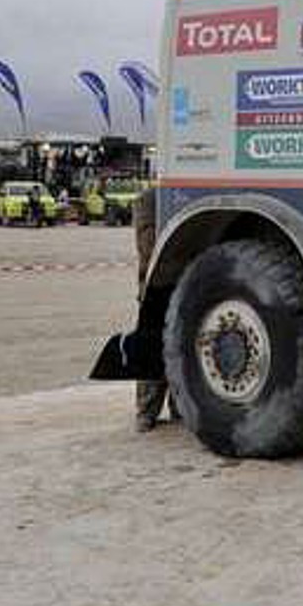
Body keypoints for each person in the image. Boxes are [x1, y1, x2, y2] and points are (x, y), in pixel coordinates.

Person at [133, 185, 174, 432]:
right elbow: (148, 247)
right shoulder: (149, 199)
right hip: (157, 285)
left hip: (181, 286)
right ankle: (146, 411)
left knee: (180, 350)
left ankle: (178, 407)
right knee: (152, 351)